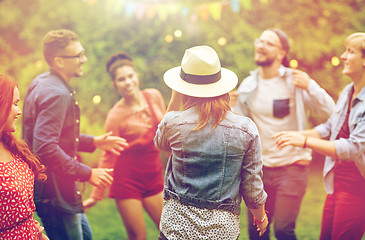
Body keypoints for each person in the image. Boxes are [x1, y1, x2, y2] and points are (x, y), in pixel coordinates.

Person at [22, 29, 128, 240]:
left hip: (62, 192)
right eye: (78, 55)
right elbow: (45, 147)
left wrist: (95, 142)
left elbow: (54, 136)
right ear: (59, 61)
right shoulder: (57, 94)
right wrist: (88, 173)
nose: (84, 59)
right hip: (56, 194)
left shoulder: (43, 81)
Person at [230, 28, 335, 240]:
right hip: (259, 170)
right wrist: (231, 109)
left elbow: (332, 113)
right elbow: (240, 129)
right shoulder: (248, 86)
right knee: (257, 232)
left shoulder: (294, 80)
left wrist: (310, 85)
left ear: (281, 53)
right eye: (260, 40)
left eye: (269, 43)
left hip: (292, 167)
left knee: (284, 230)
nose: (261, 45)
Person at [154, 45, 268, 239]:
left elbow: (161, 143)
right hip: (221, 231)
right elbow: (252, 189)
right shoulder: (246, 129)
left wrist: (174, 98)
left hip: (176, 228)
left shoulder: (173, 122)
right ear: (222, 87)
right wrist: (261, 217)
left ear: (183, 89)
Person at [273, 32, 365, 240]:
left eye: (350, 52)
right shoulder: (348, 92)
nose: (343, 56)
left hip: (358, 190)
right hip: (336, 185)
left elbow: (352, 148)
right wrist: (295, 134)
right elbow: (329, 128)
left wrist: (305, 141)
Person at [82, 52, 166, 239]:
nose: (127, 82)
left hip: (153, 175)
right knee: (138, 237)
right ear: (115, 85)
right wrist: (96, 195)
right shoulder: (116, 115)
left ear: (137, 76)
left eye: (130, 76)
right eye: (121, 79)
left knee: (170, 232)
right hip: (127, 180)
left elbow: (169, 129)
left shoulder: (153, 96)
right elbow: (109, 155)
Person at [0, 74, 49, 240]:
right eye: (14, 104)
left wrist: (38, 233)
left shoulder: (10, 144)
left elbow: (21, 208)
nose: (19, 111)